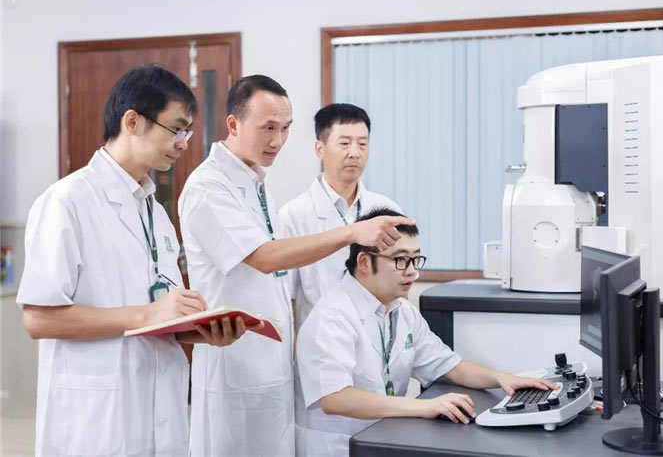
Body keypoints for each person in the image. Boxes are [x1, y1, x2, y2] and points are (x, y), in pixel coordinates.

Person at [17, 64, 249, 457]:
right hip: (95, 424)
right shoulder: (66, 202)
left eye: (187, 132)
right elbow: (39, 319)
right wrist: (147, 314)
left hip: (158, 413)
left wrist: (196, 331)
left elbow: (156, 314)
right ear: (133, 122)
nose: (183, 143)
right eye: (176, 129)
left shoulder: (155, 213)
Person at [179, 75, 415, 457]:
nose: (278, 140)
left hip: (276, 371)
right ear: (234, 124)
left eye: (286, 128)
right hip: (236, 368)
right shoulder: (208, 187)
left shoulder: (258, 184)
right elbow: (264, 257)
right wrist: (351, 233)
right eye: (268, 128)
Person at [296, 208, 559, 457]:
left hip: (382, 437)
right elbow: (335, 398)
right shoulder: (332, 316)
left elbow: (451, 366)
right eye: (400, 260)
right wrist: (426, 406)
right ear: (364, 262)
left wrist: (503, 378)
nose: (412, 270)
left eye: (415, 259)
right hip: (339, 447)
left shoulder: (402, 311)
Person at [280, 103, 402, 330]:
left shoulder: (387, 210)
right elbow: (287, 299)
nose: (354, 153)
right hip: (320, 343)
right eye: (344, 143)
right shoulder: (293, 216)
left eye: (362, 144)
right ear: (320, 149)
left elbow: (399, 286)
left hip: (376, 339)